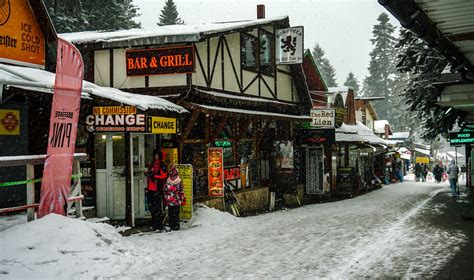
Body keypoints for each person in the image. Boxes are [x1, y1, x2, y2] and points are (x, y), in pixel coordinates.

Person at [145, 149, 168, 231]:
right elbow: (150, 172)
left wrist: (154, 176)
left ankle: (158, 224)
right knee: (151, 206)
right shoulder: (152, 164)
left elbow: (164, 175)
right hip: (150, 188)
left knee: (157, 207)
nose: (156, 156)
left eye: (157, 155)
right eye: (155, 155)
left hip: (157, 189)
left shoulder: (162, 165)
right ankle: (154, 223)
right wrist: (148, 174)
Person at [163, 166, 185, 231]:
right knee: (175, 214)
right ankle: (176, 226)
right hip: (176, 200)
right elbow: (181, 190)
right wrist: (181, 198)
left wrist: (167, 196)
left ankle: (172, 225)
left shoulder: (168, 181)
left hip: (170, 199)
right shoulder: (179, 180)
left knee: (171, 213)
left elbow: (165, 189)